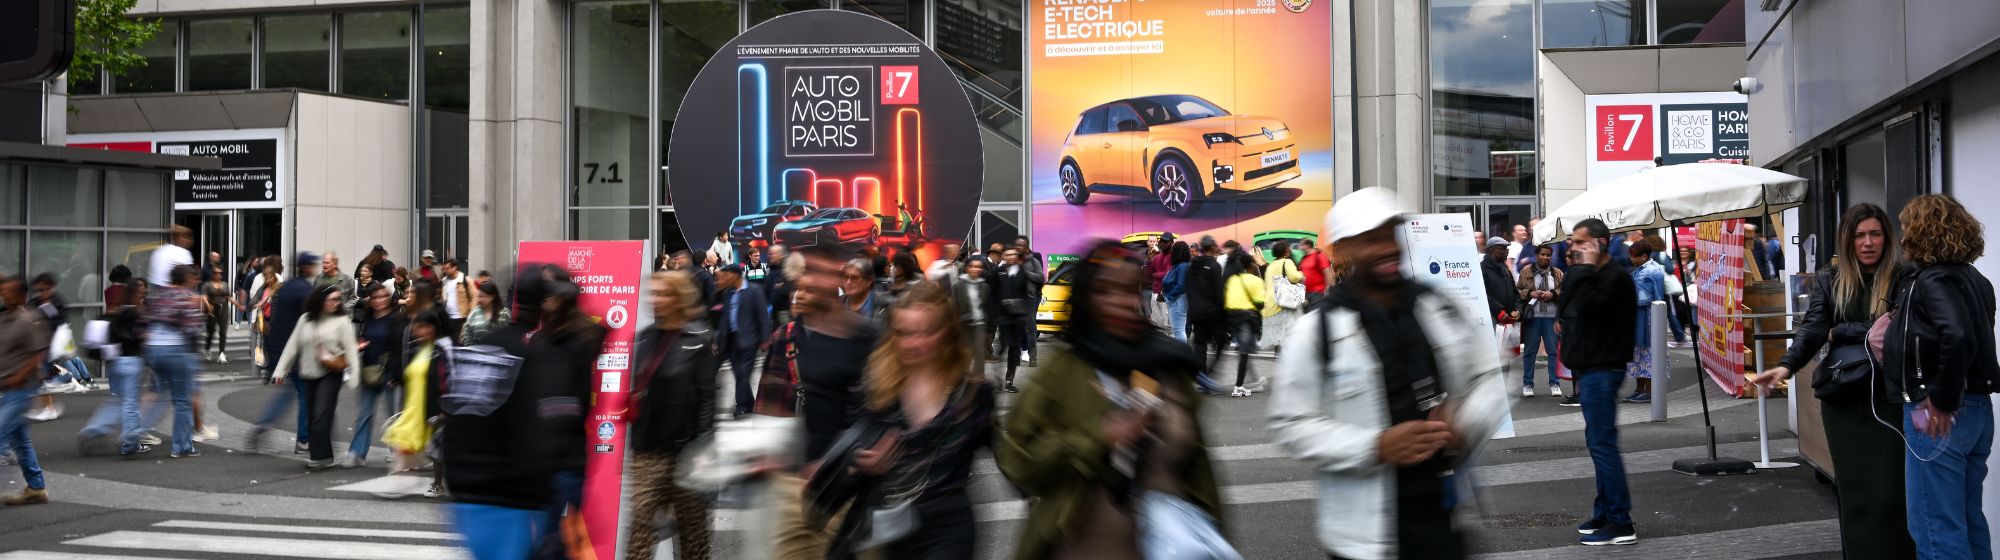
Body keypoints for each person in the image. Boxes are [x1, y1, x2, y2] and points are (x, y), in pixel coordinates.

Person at [1268, 186, 1512, 560]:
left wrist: (1466, 419)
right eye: (1370, 239)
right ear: (1345, 248)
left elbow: (1488, 377)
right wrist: (1375, 446)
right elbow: (1291, 423)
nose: (1386, 247)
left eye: (1390, 234)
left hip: (1442, 520)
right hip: (1364, 537)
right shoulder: (1317, 331)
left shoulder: (1437, 306)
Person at [997, 240, 1221, 560]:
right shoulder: (1062, 372)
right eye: (1103, 291)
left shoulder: (1170, 368)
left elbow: (1202, 479)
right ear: (1086, 298)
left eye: (1130, 290)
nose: (1120, 302)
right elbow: (1018, 463)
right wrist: (1098, 435)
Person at [1746, 203, 1914, 560]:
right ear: (1847, 240)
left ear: (1887, 237)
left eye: (1875, 234)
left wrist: (1842, 330)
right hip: (1843, 402)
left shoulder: (1904, 276)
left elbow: (1900, 330)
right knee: (1854, 494)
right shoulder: (1830, 280)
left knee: (1891, 494)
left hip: (1889, 400)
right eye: (1859, 235)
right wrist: (1786, 366)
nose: (1867, 243)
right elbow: (1813, 330)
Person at [830, 281, 995, 558]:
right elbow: (847, 444)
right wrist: (862, 462)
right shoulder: (875, 387)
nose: (911, 344)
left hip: (947, 525)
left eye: (924, 333)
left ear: (946, 333)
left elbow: (1007, 452)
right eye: (902, 333)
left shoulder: (972, 393)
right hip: (885, 525)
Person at [1880, 194, 1997, 560]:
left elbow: (1958, 336)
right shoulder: (1975, 280)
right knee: (1966, 518)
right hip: (1976, 410)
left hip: (1939, 411)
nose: (1901, 239)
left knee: (1934, 527)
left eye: (1906, 230)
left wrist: (1942, 400)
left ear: (1922, 233)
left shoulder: (1931, 280)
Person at [759, 244, 878, 560]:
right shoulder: (786, 337)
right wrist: (768, 458)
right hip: (793, 487)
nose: (813, 281)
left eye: (823, 271)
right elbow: (769, 406)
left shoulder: (867, 337)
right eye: (808, 271)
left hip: (850, 487)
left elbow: (880, 412)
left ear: (837, 277)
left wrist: (838, 463)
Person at [443, 269, 562, 557]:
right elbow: (530, 433)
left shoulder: (482, 349)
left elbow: (458, 419)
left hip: (469, 493)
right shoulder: (529, 358)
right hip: (509, 497)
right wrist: (544, 494)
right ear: (544, 306)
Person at [625, 271, 718, 560]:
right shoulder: (644, 339)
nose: (655, 300)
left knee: (693, 537)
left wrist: (703, 448)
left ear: (679, 298)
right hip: (648, 454)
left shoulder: (700, 339)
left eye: (663, 294)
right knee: (640, 530)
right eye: (652, 293)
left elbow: (707, 400)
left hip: (687, 455)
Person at [1560, 217, 1640, 545]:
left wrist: (1584, 269)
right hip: (1591, 368)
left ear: (1599, 243)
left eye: (1580, 242)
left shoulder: (1614, 277)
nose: (1573, 248)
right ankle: (1605, 511)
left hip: (1603, 369)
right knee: (1597, 443)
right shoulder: (1592, 274)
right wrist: (1582, 270)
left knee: (1603, 444)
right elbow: (1567, 303)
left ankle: (1621, 521)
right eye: (1573, 242)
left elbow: (1590, 306)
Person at [529, 278, 608, 557]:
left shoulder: (583, 339)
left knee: (555, 533)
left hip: (567, 453)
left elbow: (599, 332)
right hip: (543, 454)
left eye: (550, 299)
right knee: (549, 532)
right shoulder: (538, 342)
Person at [270, 284, 360, 469]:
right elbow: (292, 345)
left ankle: (321, 458)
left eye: (339, 299)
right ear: (321, 300)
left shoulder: (342, 321)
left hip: (331, 373)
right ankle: (323, 455)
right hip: (308, 373)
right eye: (333, 299)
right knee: (313, 416)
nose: (337, 303)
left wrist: (354, 377)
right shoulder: (306, 319)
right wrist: (280, 370)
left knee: (320, 414)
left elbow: (351, 350)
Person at [247, 253, 320, 455]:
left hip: (278, 348)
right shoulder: (306, 290)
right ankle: (304, 439)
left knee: (288, 393)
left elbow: (274, 316)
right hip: (296, 350)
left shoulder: (286, 287)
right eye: (314, 265)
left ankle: (263, 424)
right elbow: (309, 321)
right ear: (306, 267)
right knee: (304, 393)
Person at [77, 280, 151, 457]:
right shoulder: (136, 313)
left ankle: (93, 429)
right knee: (130, 404)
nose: (143, 296)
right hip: (132, 362)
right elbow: (143, 337)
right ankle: (130, 442)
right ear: (136, 295)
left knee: (116, 400)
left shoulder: (116, 314)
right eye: (141, 294)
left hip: (116, 362)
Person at [0, 276, 53, 505]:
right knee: (20, 441)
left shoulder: (28, 319)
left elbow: (37, 356)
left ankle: (35, 487)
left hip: (21, 390)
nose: (4, 294)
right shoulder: (4, 317)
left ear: (21, 295)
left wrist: (19, 377)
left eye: (10, 291)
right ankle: (36, 487)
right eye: (3, 290)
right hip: (6, 389)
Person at [147, 265, 207, 458]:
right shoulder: (185, 297)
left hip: (154, 349)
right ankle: (181, 446)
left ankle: (133, 433)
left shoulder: (159, 296)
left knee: (158, 394)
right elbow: (192, 327)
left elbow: (147, 321)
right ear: (185, 279)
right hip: (176, 350)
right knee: (182, 401)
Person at [345, 282, 403, 468]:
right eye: (375, 297)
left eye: (383, 297)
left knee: (393, 415)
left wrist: (396, 374)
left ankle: (397, 452)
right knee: (364, 414)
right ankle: (357, 453)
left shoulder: (396, 318)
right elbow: (362, 339)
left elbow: (399, 348)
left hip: (388, 372)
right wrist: (361, 345)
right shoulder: (367, 317)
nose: (379, 301)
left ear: (389, 298)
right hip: (369, 370)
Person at [714, 264, 772, 417]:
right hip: (731, 340)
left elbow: (763, 316)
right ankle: (750, 403)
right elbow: (724, 319)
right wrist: (717, 338)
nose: (724, 278)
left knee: (743, 373)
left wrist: (765, 338)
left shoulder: (754, 291)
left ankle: (741, 405)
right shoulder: (728, 293)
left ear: (736, 275)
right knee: (739, 374)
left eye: (726, 275)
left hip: (749, 340)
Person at [1516, 245, 1565, 398]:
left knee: (1553, 352)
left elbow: (1564, 291)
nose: (1545, 257)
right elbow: (1517, 292)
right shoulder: (1526, 272)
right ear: (1536, 255)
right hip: (1533, 317)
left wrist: (1553, 294)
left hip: (1552, 317)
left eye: (1548, 255)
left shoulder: (1557, 273)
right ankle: (1528, 384)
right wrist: (1531, 293)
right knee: (1530, 352)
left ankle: (1555, 383)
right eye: (1542, 254)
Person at [1624, 240, 1669, 403]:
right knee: (1638, 351)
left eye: (1634, 257)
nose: (1631, 259)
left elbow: (1658, 296)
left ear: (1643, 256)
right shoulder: (1639, 269)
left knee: (1650, 351)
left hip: (1650, 314)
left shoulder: (1653, 270)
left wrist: (1658, 317)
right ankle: (1639, 388)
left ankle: (1649, 390)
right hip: (1638, 312)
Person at [990, 247, 1040, 392]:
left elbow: (1030, 292)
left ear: (1017, 256)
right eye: (1008, 254)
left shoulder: (1023, 272)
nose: (1011, 257)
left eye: (1013, 254)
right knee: (1003, 346)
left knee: (1014, 350)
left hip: (1018, 317)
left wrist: (1025, 310)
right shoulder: (998, 272)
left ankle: (1009, 380)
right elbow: (993, 294)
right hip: (1004, 317)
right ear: (1004, 256)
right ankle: (997, 377)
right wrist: (996, 312)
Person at [1186, 237, 1230, 386]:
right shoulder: (1214, 266)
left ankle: (1201, 377)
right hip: (1211, 312)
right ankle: (1209, 375)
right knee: (1222, 341)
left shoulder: (1192, 265)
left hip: (1195, 312)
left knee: (1200, 345)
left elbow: (1188, 288)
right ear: (1211, 248)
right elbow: (1218, 293)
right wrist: (1224, 313)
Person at [1222, 251, 1266, 397]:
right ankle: (1239, 386)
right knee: (1245, 352)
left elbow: (1227, 301)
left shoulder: (1232, 280)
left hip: (1232, 318)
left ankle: (1252, 380)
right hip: (1248, 318)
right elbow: (1260, 303)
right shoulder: (1256, 281)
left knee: (1245, 350)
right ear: (1251, 265)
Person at [1263, 241, 1305, 352]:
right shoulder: (1287, 262)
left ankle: (1278, 357)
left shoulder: (1270, 265)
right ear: (1286, 251)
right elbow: (1294, 277)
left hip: (1271, 303)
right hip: (1284, 301)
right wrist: (1301, 274)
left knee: (1278, 335)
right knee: (1289, 332)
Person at [954, 258, 992, 369]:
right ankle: (961, 380)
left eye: (979, 267)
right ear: (967, 268)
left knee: (980, 354)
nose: (977, 269)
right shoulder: (958, 285)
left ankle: (978, 380)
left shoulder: (985, 286)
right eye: (973, 266)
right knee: (964, 354)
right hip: (963, 324)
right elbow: (954, 306)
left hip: (980, 323)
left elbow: (986, 306)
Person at [204, 265, 240, 364]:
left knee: (223, 332)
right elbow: (204, 297)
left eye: (220, 273)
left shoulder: (225, 284)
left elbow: (228, 297)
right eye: (216, 273)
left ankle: (222, 354)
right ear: (212, 274)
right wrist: (208, 306)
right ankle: (207, 349)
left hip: (223, 308)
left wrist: (237, 304)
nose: (218, 275)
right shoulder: (208, 285)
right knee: (211, 331)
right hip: (212, 308)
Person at [1482, 237, 1521, 327]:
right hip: (1493, 319)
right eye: (1503, 249)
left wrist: (1517, 310)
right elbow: (1484, 295)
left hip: (1509, 318)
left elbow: (1515, 293)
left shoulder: (1505, 269)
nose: (1507, 252)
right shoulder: (1482, 269)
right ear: (1492, 250)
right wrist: (1499, 310)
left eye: (1507, 249)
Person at [460, 281, 510, 347]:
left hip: (499, 353)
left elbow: (509, 334)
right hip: (476, 353)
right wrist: (471, 348)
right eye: (478, 296)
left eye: (482, 296)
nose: (479, 299)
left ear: (492, 296)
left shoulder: (504, 313)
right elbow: (466, 333)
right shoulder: (474, 312)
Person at [1162, 241, 1193, 343]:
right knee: (1178, 330)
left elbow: (1181, 285)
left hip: (1178, 299)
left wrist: (1170, 297)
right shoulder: (1181, 265)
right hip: (1178, 299)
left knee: (1178, 330)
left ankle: (1182, 353)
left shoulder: (1182, 266)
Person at [843, 258, 890, 325]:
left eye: (855, 277)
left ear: (868, 281)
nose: (848, 282)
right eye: (846, 277)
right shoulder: (837, 303)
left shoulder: (885, 304)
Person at [440, 259, 470, 340]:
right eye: (444, 269)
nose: (445, 271)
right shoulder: (444, 281)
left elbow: (474, 297)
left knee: (460, 340)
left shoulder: (465, 279)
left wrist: (471, 314)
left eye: (448, 268)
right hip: (448, 317)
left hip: (461, 318)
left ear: (455, 267)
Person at [1299, 239, 1332, 303]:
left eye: (1301, 245)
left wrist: (1329, 290)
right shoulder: (1304, 258)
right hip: (1306, 294)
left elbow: (1328, 273)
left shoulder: (1318, 255)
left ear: (1307, 245)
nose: (1300, 247)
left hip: (1318, 293)